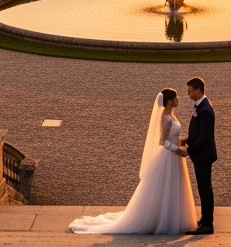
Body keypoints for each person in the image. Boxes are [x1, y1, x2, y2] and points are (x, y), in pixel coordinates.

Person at [68, 88, 196, 235]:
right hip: (169, 156)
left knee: (172, 187)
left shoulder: (171, 115)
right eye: (176, 97)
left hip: (173, 155)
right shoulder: (165, 117)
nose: (178, 99)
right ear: (169, 101)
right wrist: (180, 151)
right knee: (166, 187)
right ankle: (163, 219)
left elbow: (171, 137)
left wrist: (181, 142)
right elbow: (163, 141)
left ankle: (168, 217)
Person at [183, 77, 216, 234]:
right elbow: (198, 133)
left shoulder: (205, 110)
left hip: (204, 156)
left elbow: (204, 137)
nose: (188, 93)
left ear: (198, 90)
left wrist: (189, 150)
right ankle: (204, 219)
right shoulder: (201, 106)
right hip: (202, 155)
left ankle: (208, 224)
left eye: (190, 90)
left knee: (205, 189)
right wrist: (187, 140)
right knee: (203, 189)